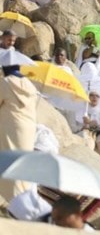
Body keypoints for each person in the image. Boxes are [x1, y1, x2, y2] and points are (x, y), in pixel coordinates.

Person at [0, 64, 37, 201]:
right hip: (28, 129)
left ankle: (8, 199)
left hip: (10, 127)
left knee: (7, 162)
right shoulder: (29, 85)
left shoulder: (5, 82)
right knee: (21, 164)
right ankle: (21, 200)